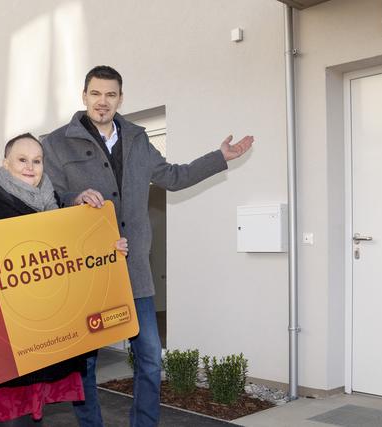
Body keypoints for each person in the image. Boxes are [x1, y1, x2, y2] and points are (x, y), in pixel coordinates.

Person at [42, 65, 254, 427]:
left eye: (110, 94)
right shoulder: (56, 143)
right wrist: (75, 197)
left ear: (120, 98)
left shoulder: (138, 139)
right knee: (85, 363)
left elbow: (173, 176)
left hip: (135, 269)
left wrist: (219, 158)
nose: (102, 101)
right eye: (96, 93)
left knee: (151, 357)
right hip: (88, 272)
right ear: (84, 96)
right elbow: (47, 196)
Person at [0, 133, 128, 426]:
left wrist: (109, 250)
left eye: (37, 161)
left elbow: (77, 259)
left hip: (47, 335)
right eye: (22, 160)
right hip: (11, 339)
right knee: (13, 418)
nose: (30, 167)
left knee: (36, 416)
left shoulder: (52, 206)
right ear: (5, 163)